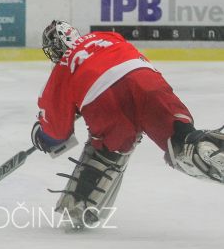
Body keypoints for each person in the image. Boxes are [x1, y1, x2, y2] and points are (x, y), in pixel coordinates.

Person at [31, 20, 224, 229]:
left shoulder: (60, 71)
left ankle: (80, 205)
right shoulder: (107, 36)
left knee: (109, 147)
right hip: (147, 80)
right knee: (182, 141)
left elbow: (57, 133)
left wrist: (42, 136)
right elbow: (133, 62)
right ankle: (202, 145)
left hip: (104, 98)